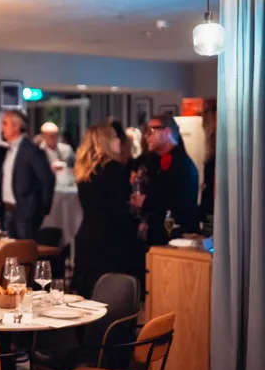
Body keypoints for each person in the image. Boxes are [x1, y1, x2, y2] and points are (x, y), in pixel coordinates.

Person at [72, 125, 140, 298]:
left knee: (87, 294)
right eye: (115, 137)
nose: (119, 141)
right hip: (111, 239)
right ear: (106, 142)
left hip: (87, 234)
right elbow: (117, 209)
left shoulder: (85, 171)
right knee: (109, 296)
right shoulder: (114, 169)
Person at [131, 114, 200, 247]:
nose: (146, 136)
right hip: (157, 237)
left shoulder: (182, 164)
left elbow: (176, 202)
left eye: (151, 131)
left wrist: (145, 201)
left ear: (167, 132)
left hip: (175, 239)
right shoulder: (155, 161)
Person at [0, 110, 55, 240]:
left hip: (26, 212)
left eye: (5, 124)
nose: (2, 128)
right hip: (9, 210)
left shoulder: (31, 150)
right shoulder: (10, 149)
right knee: (11, 253)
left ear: (16, 126)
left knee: (25, 254)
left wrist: (42, 208)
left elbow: (47, 179)